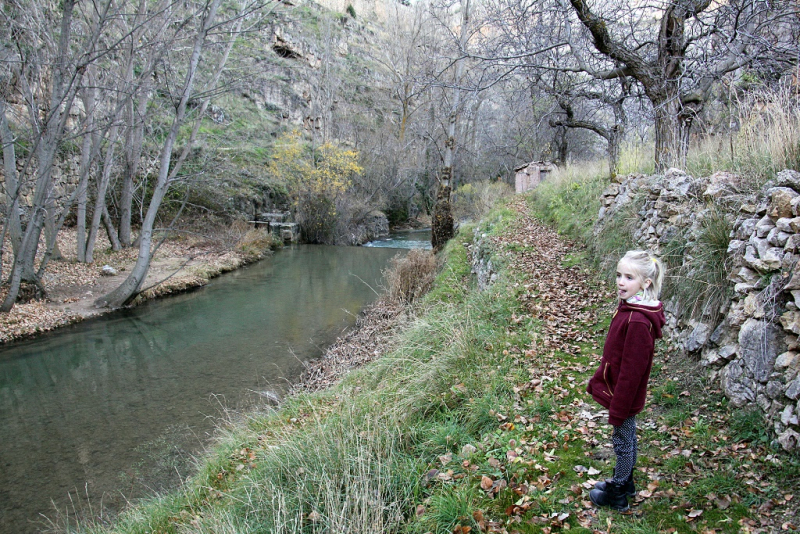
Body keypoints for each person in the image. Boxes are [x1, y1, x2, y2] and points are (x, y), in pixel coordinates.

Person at [586, 250, 666, 511]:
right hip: (621, 391)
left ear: (646, 283)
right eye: (619, 275)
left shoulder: (638, 320)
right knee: (627, 437)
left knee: (622, 441)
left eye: (629, 277)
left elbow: (632, 372)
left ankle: (618, 491)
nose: (621, 282)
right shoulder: (631, 307)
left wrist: (619, 407)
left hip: (625, 395)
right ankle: (627, 482)